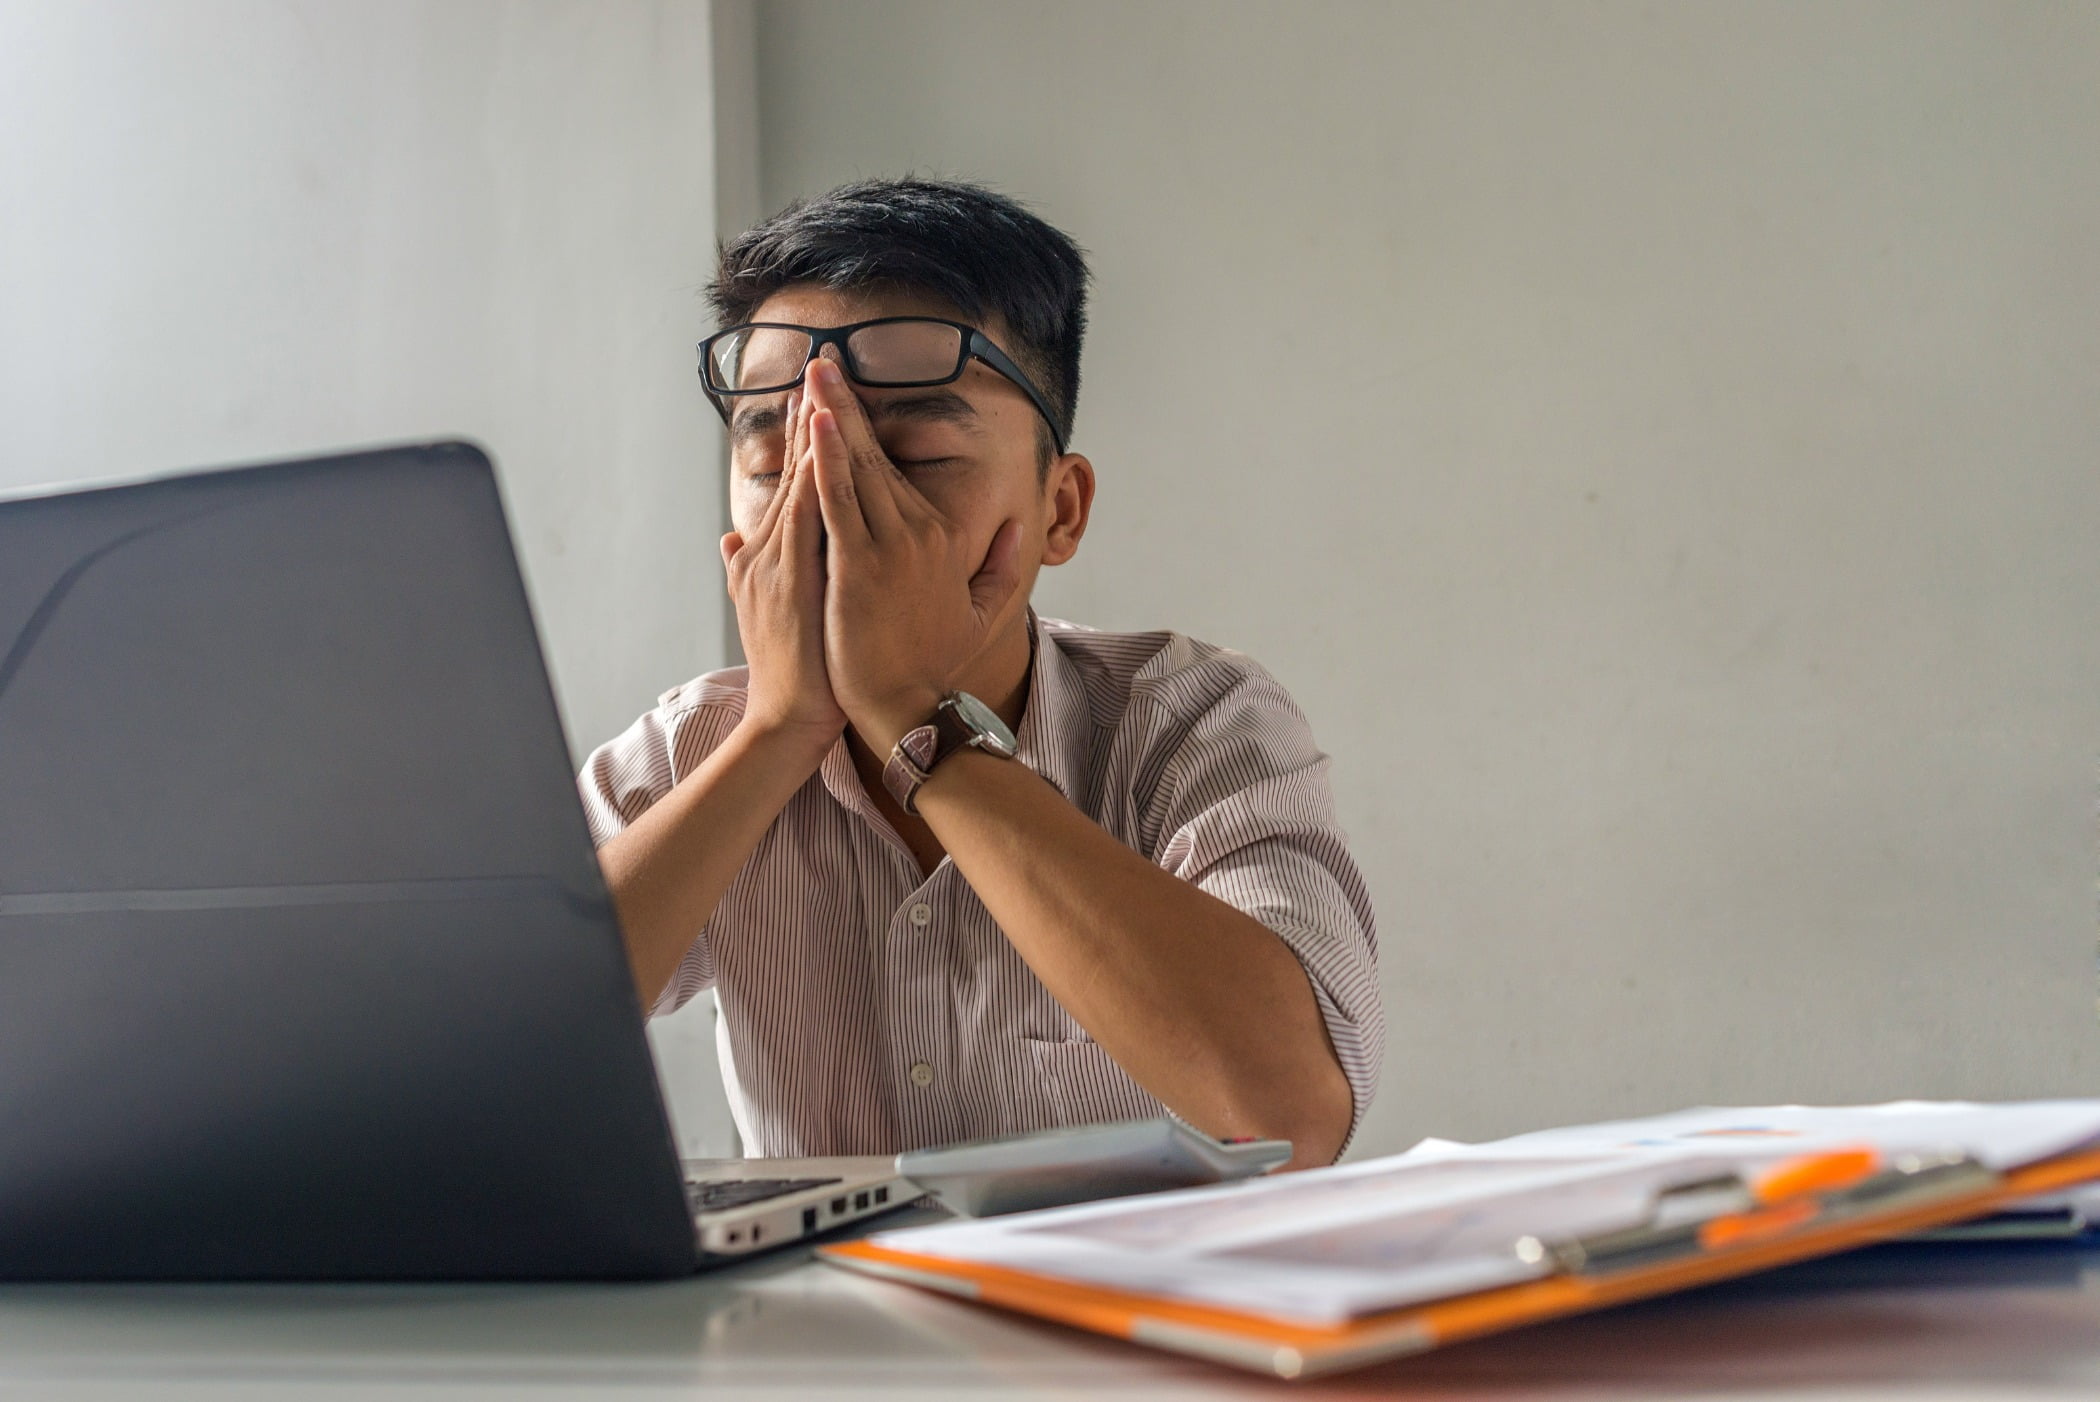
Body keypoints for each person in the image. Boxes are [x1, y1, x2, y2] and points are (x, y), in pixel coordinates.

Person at [580, 177, 1381, 1168]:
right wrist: (777, 731)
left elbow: (1288, 1114)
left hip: (1135, 1317)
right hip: (817, 1323)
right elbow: (485, 1070)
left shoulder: (1193, 725)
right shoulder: (683, 753)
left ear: (1060, 510)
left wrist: (921, 722)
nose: (832, 505)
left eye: (909, 453)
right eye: (774, 453)